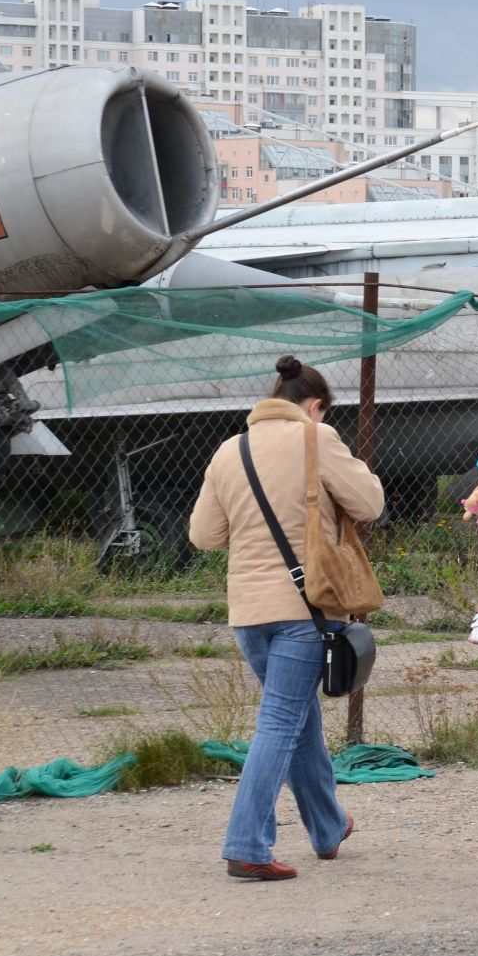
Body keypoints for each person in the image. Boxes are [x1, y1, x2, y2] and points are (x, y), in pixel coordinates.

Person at [189, 355, 385, 881]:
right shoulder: (316, 438)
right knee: (281, 722)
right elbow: (369, 503)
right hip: (306, 609)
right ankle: (247, 844)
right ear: (315, 405)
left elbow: (204, 536)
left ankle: (327, 826)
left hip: (248, 613)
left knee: (298, 719)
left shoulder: (229, 450)